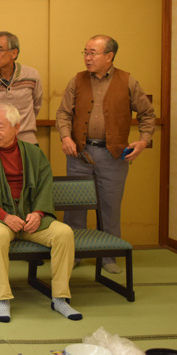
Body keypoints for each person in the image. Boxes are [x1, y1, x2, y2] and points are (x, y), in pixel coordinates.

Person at [0, 103, 81, 323]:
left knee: (64, 233)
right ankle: (2, 300)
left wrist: (38, 213)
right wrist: (5, 216)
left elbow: (45, 187)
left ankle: (60, 298)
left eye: (0, 127)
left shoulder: (34, 153)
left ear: (17, 127)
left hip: (31, 218)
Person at [56, 34, 155, 274]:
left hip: (113, 155)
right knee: (74, 207)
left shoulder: (128, 81)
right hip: (80, 154)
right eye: (86, 52)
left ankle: (108, 256)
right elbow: (63, 113)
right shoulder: (77, 80)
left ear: (109, 56)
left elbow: (147, 114)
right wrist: (66, 137)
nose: (87, 58)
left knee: (110, 206)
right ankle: (73, 253)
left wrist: (143, 141)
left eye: (93, 53)